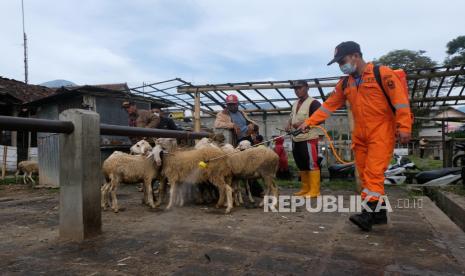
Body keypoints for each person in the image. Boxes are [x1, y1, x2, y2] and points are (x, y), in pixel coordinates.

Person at [298, 41, 412, 231]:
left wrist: (405, 126)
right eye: (338, 63)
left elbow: (400, 102)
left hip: (381, 131)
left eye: (342, 61)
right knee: (366, 176)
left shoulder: (382, 74)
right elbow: (329, 106)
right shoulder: (345, 83)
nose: (341, 66)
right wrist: (308, 122)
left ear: (356, 56)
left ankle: (367, 215)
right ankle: (380, 214)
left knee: (374, 173)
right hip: (361, 135)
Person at [285, 80, 322, 198]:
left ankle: (315, 190)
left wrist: (305, 123)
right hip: (296, 139)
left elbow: (320, 119)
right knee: (301, 164)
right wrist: (288, 124)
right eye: (295, 89)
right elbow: (292, 117)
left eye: (299, 88)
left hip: (309, 138)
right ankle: (305, 188)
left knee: (311, 163)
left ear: (307, 88)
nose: (297, 91)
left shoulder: (314, 103)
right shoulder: (295, 103)